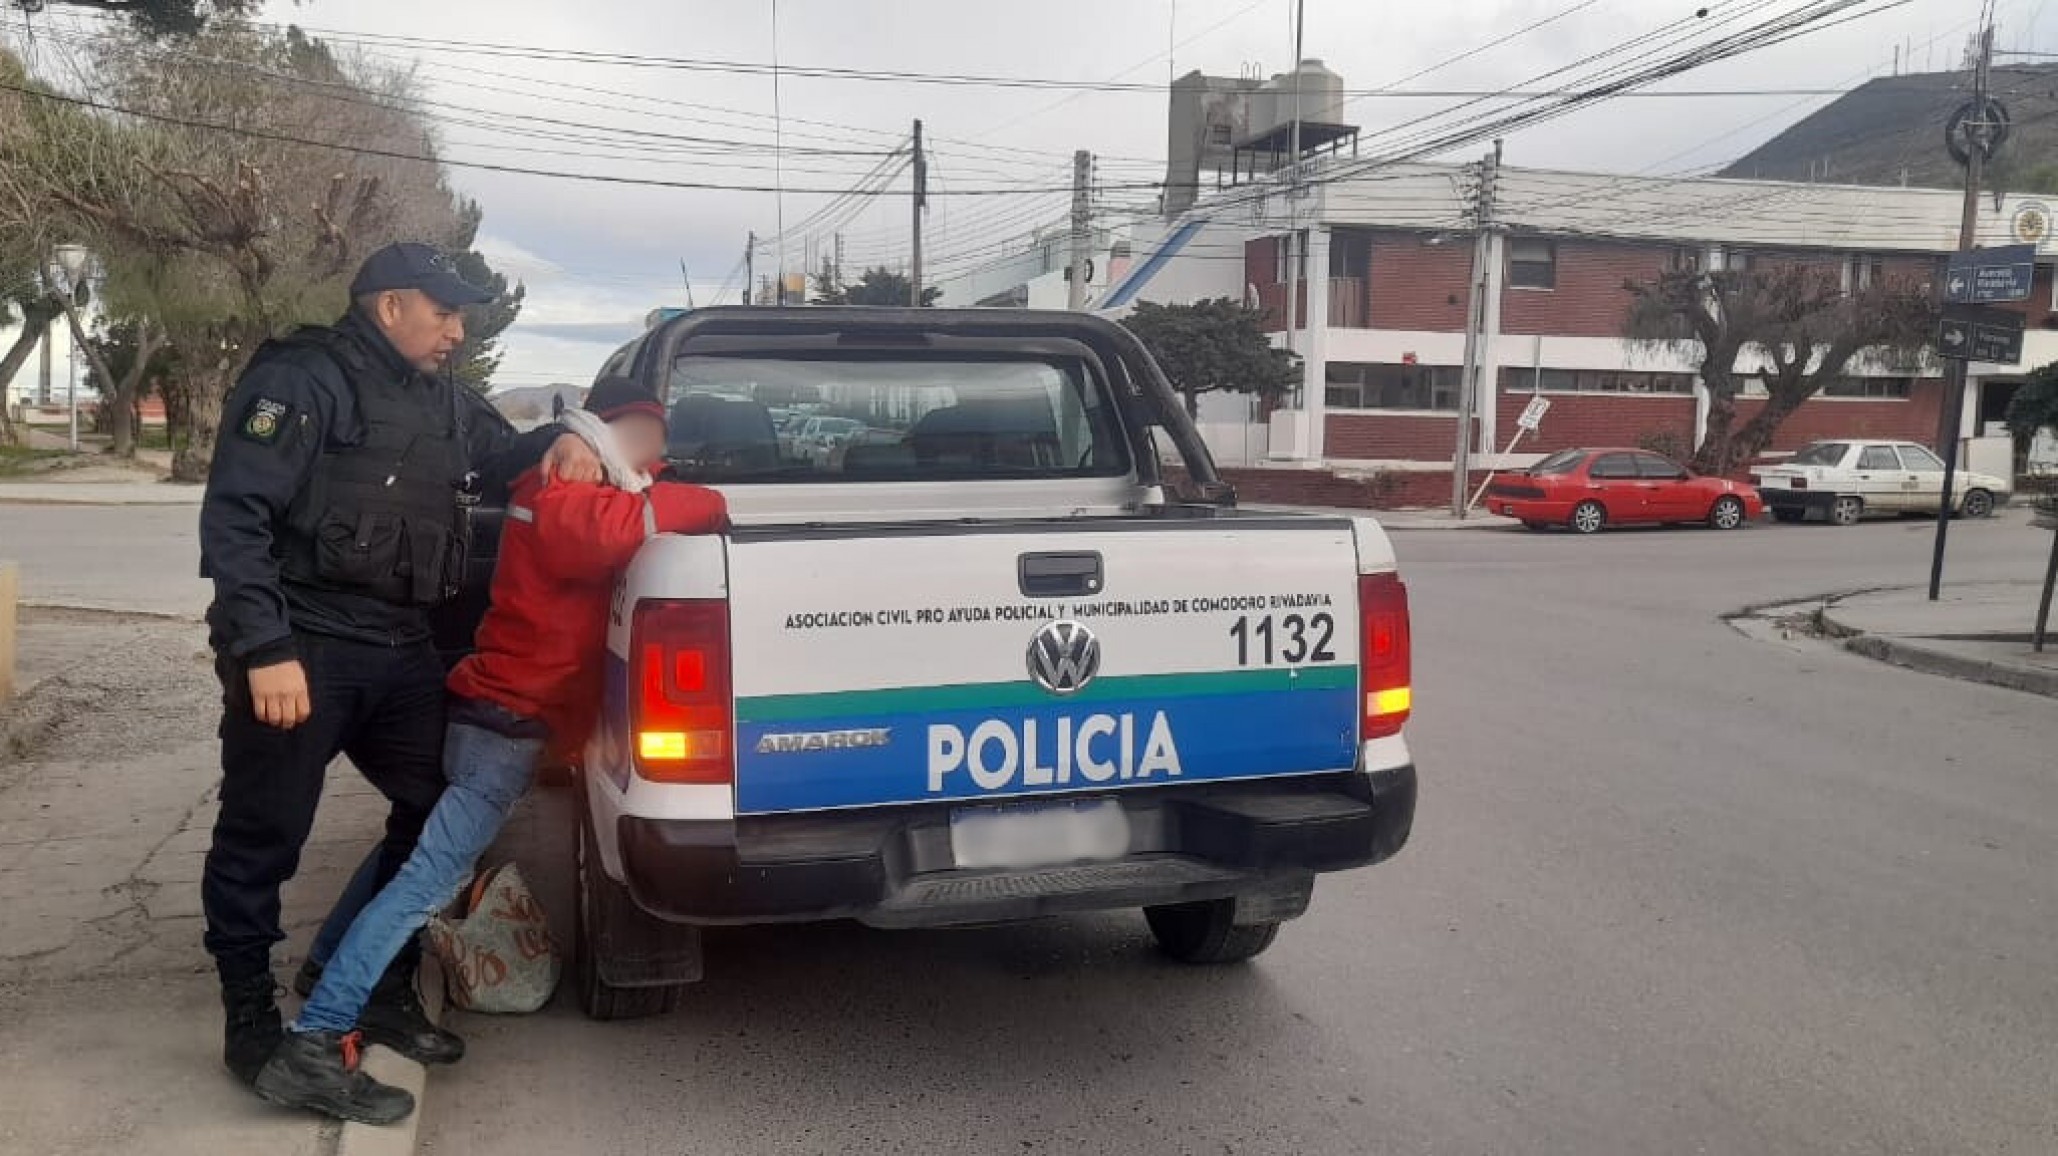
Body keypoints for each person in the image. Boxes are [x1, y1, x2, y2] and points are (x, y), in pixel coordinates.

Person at [254, 378, 729, 1124]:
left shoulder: (592, 476)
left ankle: (326, 972)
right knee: (425, 883)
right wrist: (698, 499)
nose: (660, 452)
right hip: (502, 725)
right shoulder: (561, 492)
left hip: (495, 712)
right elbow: (630, 525)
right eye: (648, 434)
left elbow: (653, 494)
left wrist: (628, 465)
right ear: (611, 431)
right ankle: (313, 1039)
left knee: (409, 859)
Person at [200, 242, 604, 1088]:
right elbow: (235, 518)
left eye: (462, 316)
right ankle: (249, 1025)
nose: (458, 330)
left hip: (400, 648)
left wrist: (567, 441)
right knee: (263, 837)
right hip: (303, 648)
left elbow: (497, 460)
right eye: (445, 312)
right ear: (391, 307)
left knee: (434, 810)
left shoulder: (443, 400)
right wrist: (264, 649)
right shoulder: (302, 380)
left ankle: (381, 990)